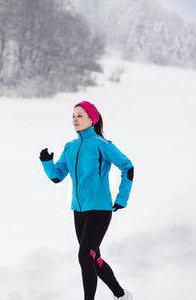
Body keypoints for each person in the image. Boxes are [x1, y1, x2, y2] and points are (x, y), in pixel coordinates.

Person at [39, 101, 134, 300]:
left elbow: (128, 167)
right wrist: (47, 162)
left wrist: (121, 198)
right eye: (73, 115)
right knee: (94, 258)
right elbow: (57, 176)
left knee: (84, 256)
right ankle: (122, 295)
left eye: (80, 115)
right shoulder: (70, 147)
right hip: (79, 211)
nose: (75, 119)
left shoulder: (102, 145)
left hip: (99, 209)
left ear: (92, 119)